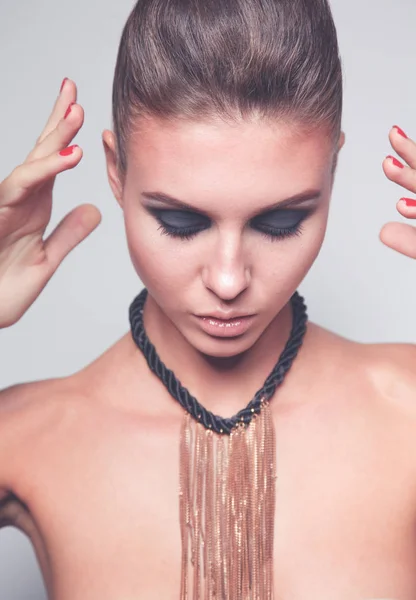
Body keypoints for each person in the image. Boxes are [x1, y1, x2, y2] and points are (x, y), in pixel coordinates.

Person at [0, 0, 415, 597]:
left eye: (279, 222)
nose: (228, 280)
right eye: (179, 221)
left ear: (332, 172)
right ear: (116, 171)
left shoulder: (408, 411)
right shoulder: (30, 436)